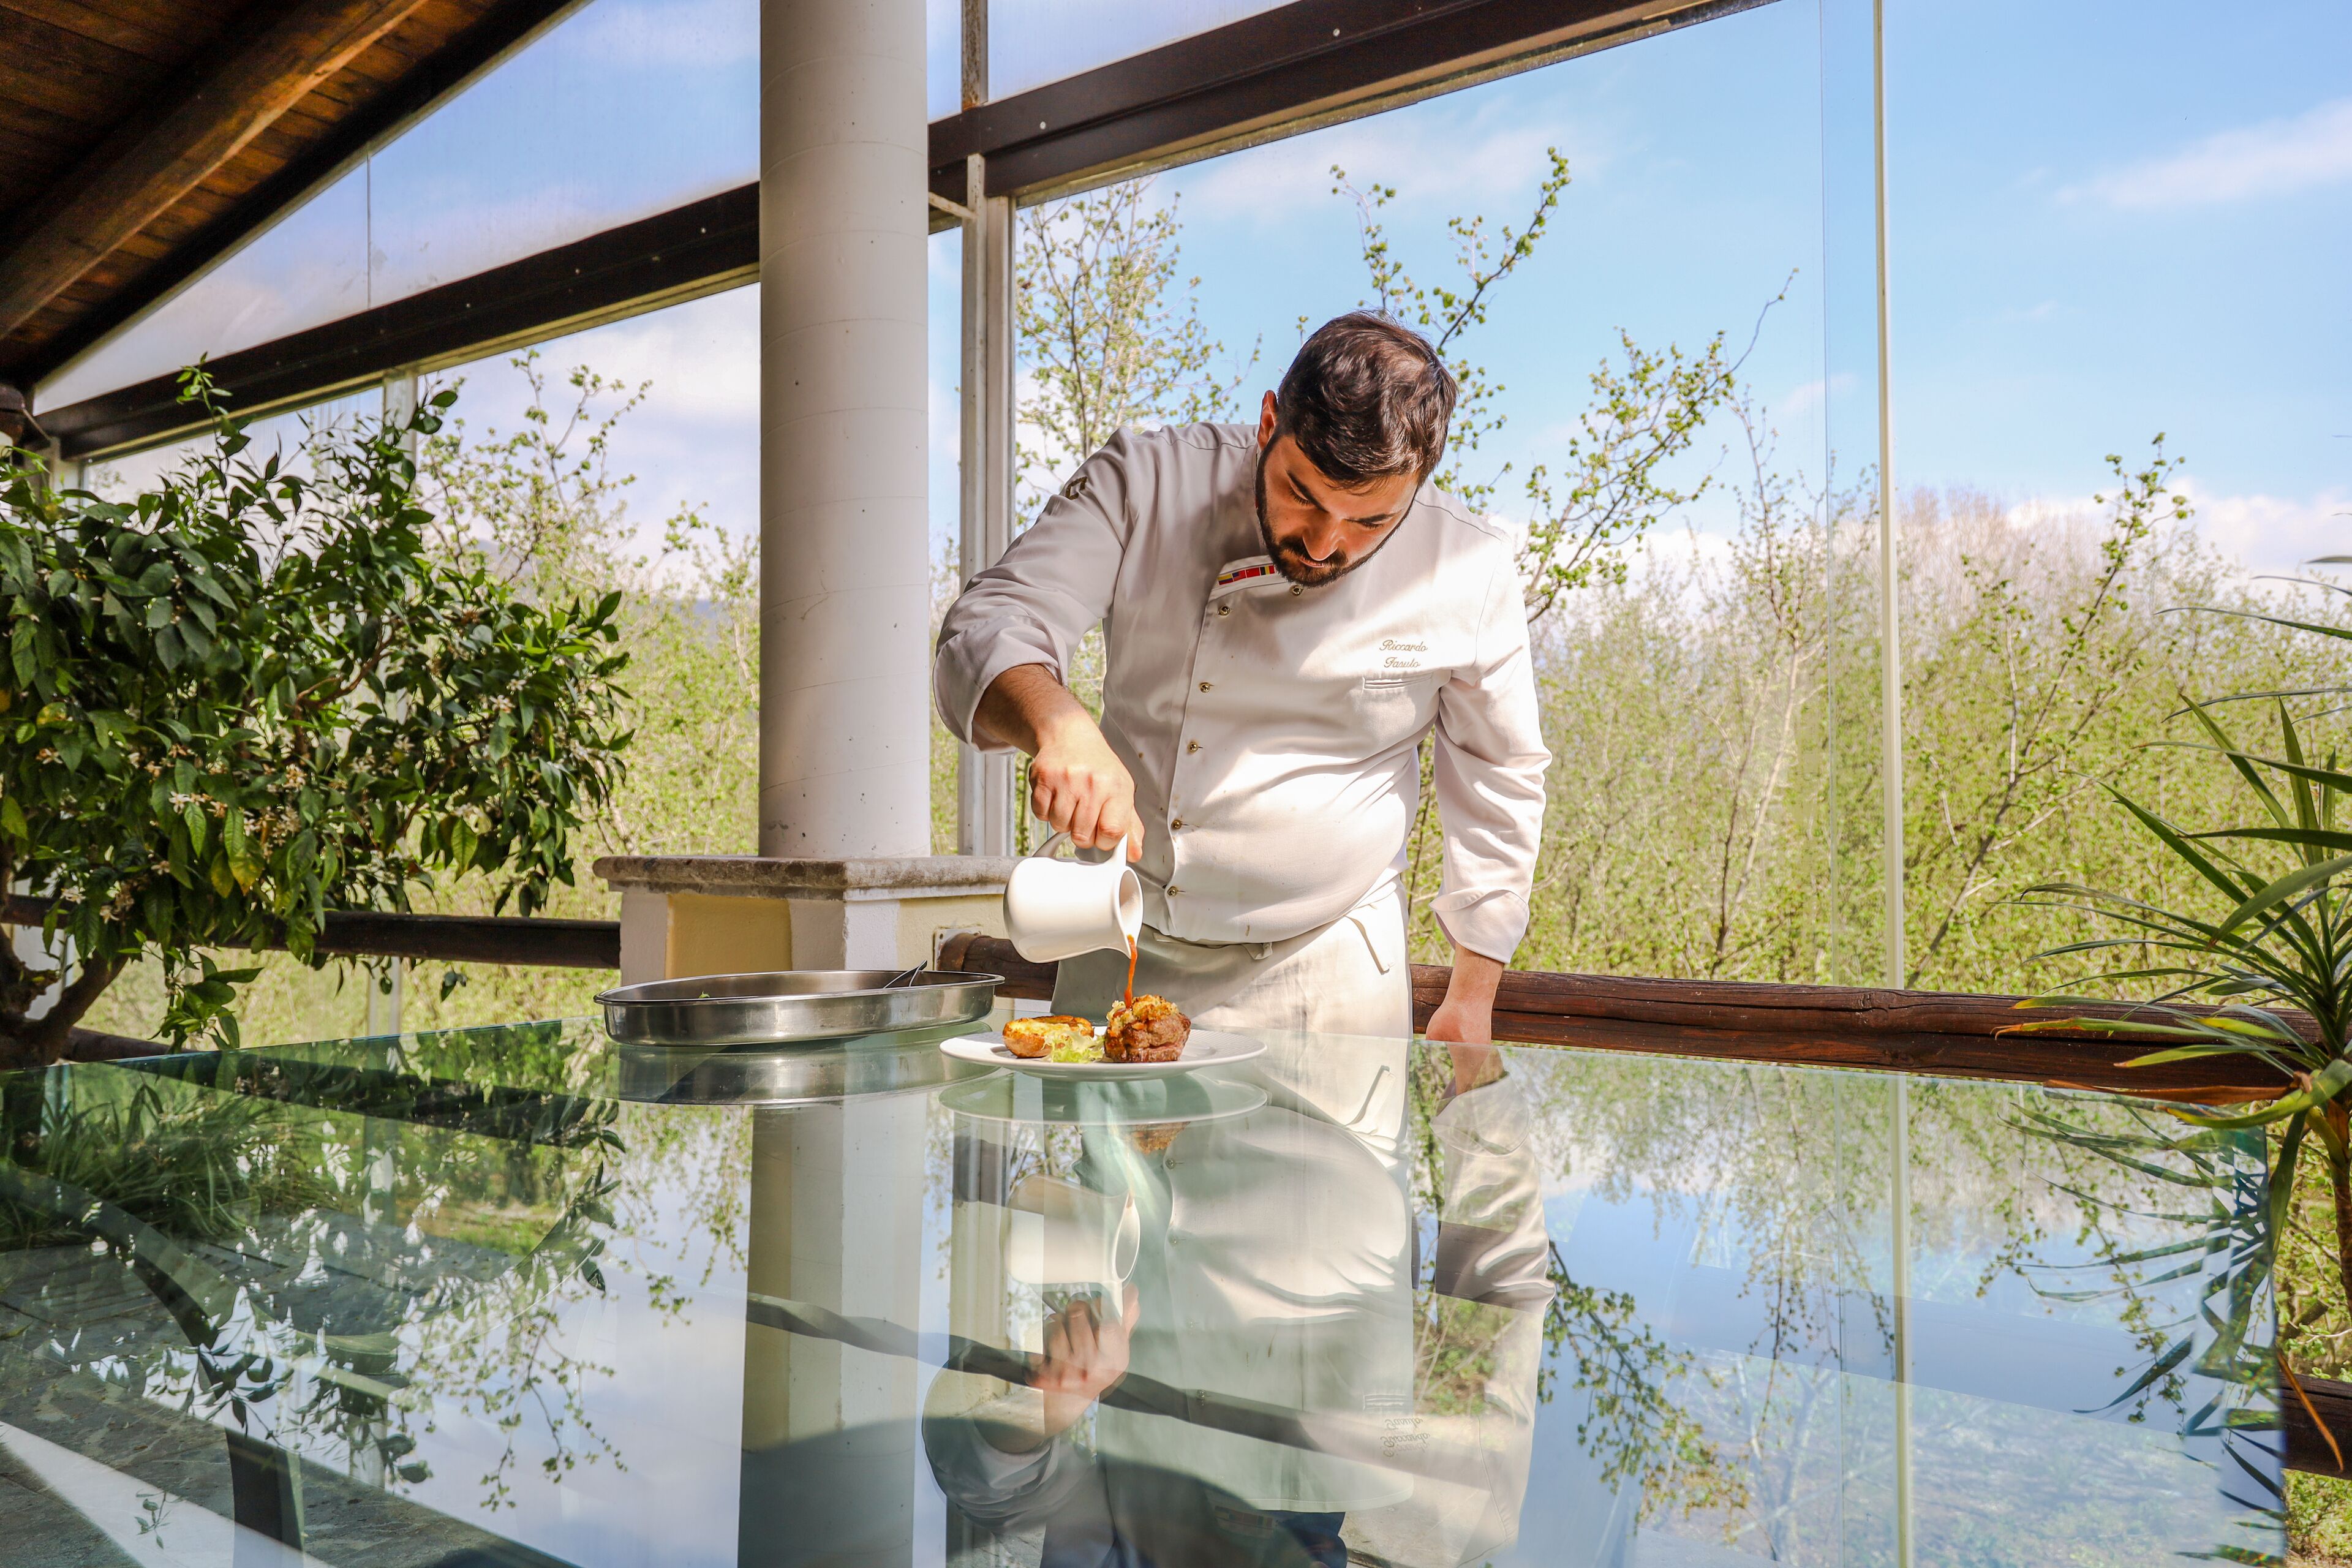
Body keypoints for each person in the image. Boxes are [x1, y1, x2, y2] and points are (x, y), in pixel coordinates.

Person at [933, 312, 1550, 1042]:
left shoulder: (1467, 567)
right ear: (1267, 424)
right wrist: (1059, 725)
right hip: (1116, 941)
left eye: (1370, 522)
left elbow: (1499, 779)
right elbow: (985, 625)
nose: (1326, 544)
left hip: (1328, 977)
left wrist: (1473, 994)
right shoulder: (1146, 481)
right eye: (1305, 496)